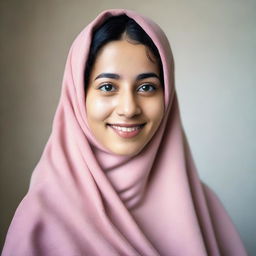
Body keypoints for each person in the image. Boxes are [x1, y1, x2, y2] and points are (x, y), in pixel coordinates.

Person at [2, 9, 247, 256]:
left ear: (167, 94)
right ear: (78, 95)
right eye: (108, 87)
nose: (129, 109)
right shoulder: (41, 218)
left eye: (147, 87)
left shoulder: (203, 206)